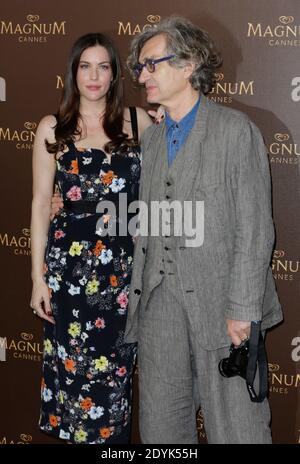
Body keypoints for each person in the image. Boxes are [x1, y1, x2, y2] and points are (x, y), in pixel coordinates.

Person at [124, 17, 283, 444]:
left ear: (189, 63)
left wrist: (244, 308)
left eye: (152, 64)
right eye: (140, 68)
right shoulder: (152, 141)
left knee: (238, 430)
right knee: (161, 429)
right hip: (159, 307)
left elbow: (254, 229)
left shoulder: (236, 132)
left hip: (223, 307)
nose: (143, 76)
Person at [30, 32, 151, 444]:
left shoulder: (138, 122)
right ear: (73, 72)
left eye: (103, 66)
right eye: (85, 66)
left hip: (122, 275)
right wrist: (36, 278)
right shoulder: (53, 128)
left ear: (115, 74)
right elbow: (40, 202)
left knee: (114, 386)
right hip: (68, 276)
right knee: (74, 381)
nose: (94, 76)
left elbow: (160, 194)